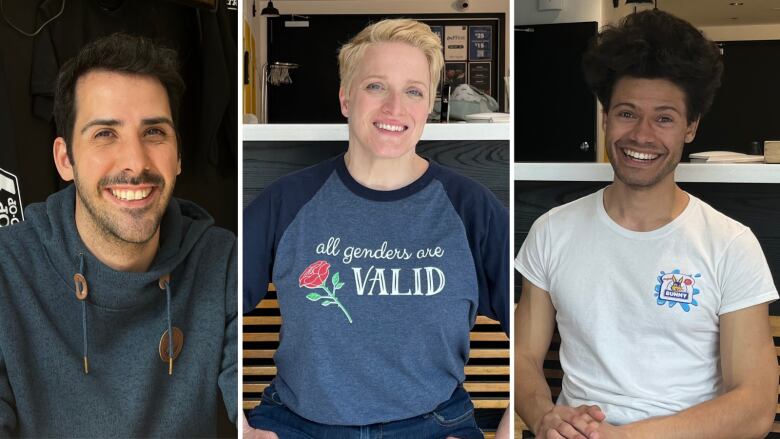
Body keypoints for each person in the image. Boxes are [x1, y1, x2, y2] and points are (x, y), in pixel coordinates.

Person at [515, 10, 777, 439]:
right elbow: (523, 357)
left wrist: (624, 437)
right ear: (605, 117)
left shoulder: (730, 244)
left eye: (665, 118)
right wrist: (545, 415)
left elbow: (754, 406)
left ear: (690, 127)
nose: (642, 135)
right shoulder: (551, 231)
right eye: (627, 113)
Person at [243, 19, 510, 439]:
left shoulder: (469, 207)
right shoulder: (288, 201)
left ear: (428, 106)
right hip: (297, 424)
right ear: (346, 98)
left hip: (433, 425)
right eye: (375, 86)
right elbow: (209, 306)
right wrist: (242, 429)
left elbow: (541, 316)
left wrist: (512, 428)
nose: (394, 108)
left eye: (413, 91)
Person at [0, 34, 237, 437]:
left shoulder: (223, 263)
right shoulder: (8, 271)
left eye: (155, 133)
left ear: (178, 155)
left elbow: (258, 413)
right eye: (105, 134)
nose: (135, 162)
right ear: (65, 159)